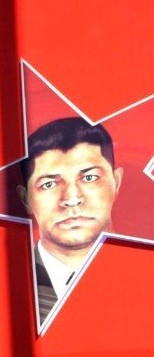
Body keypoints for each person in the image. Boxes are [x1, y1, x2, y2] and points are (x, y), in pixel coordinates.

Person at [18, 117, 123, 325]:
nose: (72, 199)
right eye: (49, 184)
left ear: (116, 183)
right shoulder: (2, 286)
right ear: (26, 199)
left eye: (90, 178)